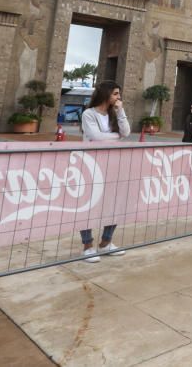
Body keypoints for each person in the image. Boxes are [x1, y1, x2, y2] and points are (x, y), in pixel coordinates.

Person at [79, 81, 130, 263]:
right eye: (115, 94)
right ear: (106, 94)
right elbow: (96, 137)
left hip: (112, 164)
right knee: (89, 205)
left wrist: (120, 112)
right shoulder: (88, 114)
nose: (118, 97)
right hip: (91, 164)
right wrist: (117, 137)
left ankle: (106, 242)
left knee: (115, 203)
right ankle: (87, 245)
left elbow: (127, 132)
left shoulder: (114, 114)